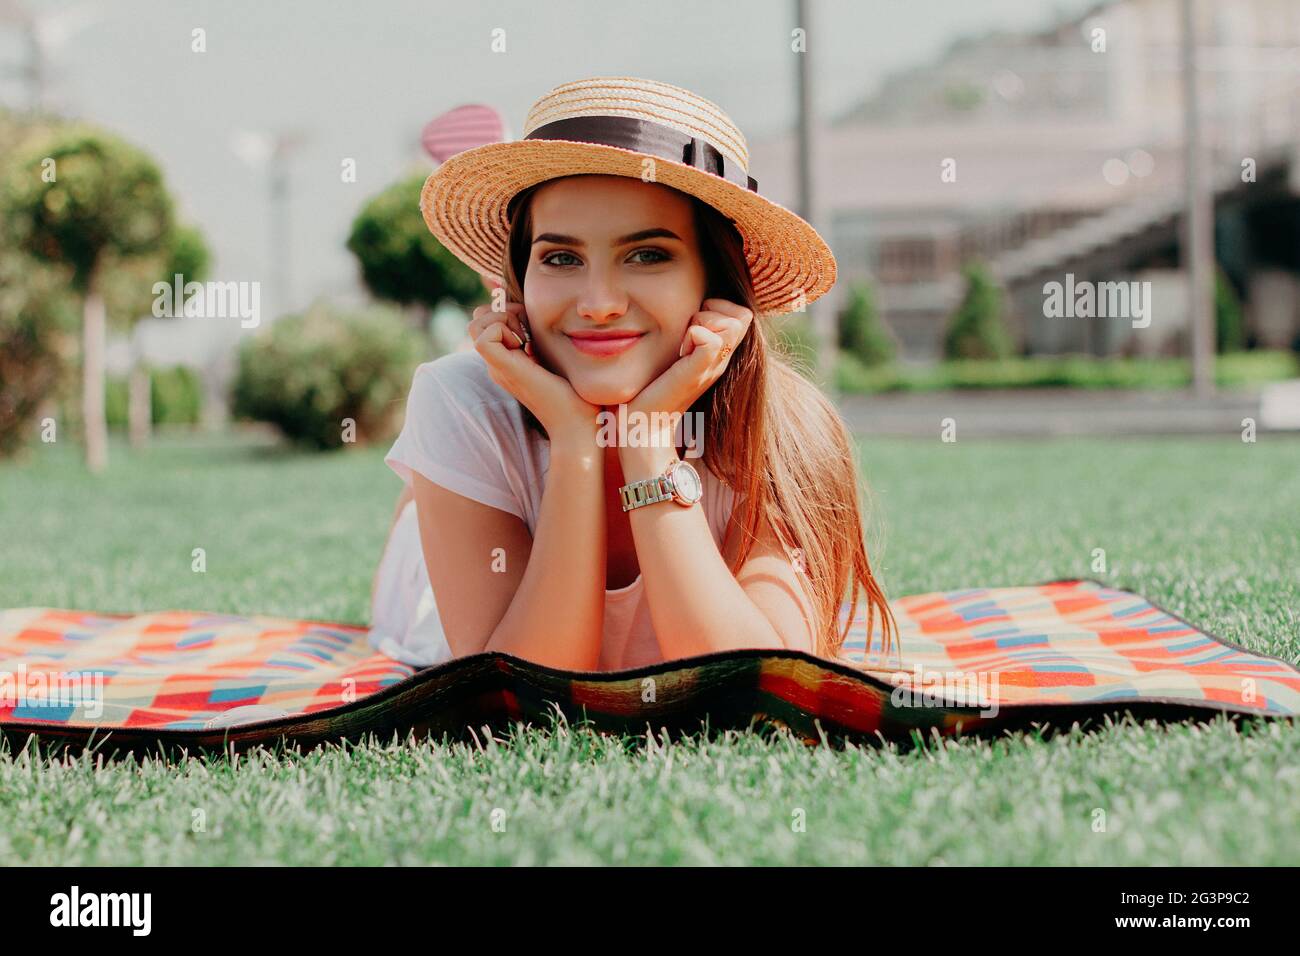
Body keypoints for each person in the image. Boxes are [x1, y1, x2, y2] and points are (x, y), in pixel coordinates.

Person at [367, 75, 897, 672]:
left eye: (648, 254)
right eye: (561, 257)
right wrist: (573, 441)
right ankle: (420, 495)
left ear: (714, 282)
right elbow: (529, 694)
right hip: (430, 585)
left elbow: (754, 687)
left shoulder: (784, 430)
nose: (599, 302)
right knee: (422, 519)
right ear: (520, 280)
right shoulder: (458, 401)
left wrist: (646, 441)